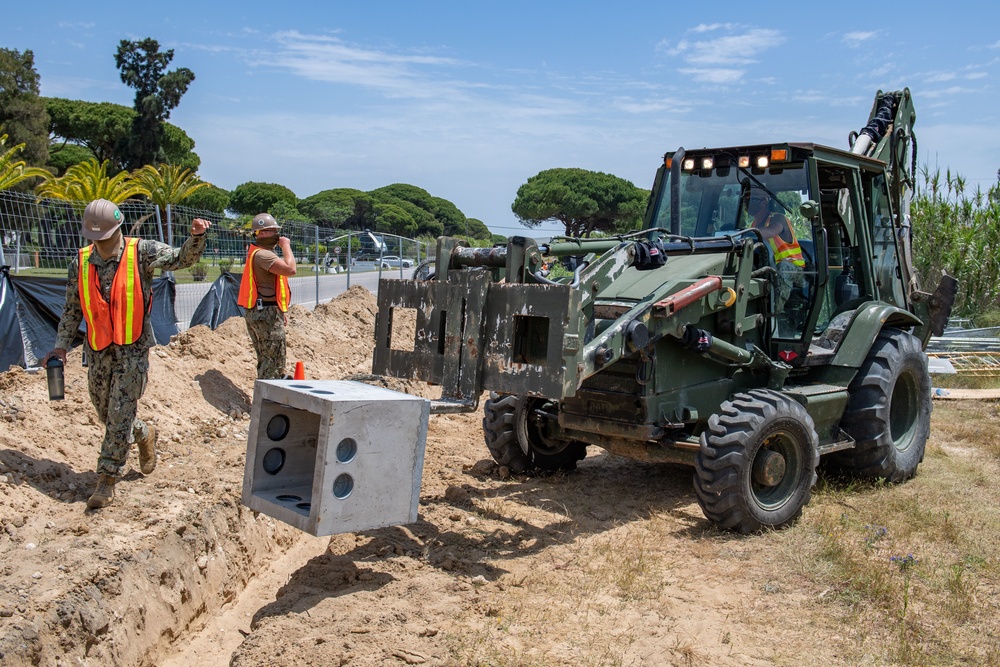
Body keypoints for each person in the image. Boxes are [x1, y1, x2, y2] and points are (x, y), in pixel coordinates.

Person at [43, 199, 211, 510]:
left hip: (133, 350)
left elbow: (179, 259)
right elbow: (71, 310)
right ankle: (144, 433)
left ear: (117, 228)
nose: (100, 243)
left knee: (119, 412)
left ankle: (106, 479)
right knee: (107, 414)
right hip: (98, 351)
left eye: (104, 236)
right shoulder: (79, 262)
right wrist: (60, 347)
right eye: (95, 237)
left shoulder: (141, 251)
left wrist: (197, 237)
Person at [237, 213, 297, 379]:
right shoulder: (263, 255)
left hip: (263, 310)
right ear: (260, 233)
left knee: (267, 358)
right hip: (265, 313)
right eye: (272, 231)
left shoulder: (258, 252)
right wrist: (286, 246)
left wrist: (280, 311)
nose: (277, 235)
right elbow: (290, 269)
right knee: (273, 362)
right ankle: (269, 398)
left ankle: (267, 395)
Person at [746, 190, 808, 332]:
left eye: (751, 199)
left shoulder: (778, 219)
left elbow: (772, 231)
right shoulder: (753, 225)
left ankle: (774, 313)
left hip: (796, 270)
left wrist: (743, 233)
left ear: (764, 202)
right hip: (771, 269)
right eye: (745, 199)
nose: (746, 203)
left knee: (783, 267)